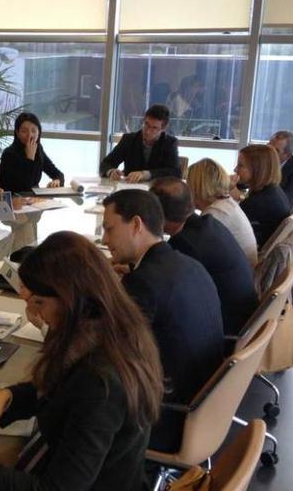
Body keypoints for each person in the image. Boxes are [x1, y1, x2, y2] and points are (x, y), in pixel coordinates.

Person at [0, 231, 164, 490]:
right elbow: (62, 391)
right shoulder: (110, 330)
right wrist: (8, 397)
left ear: (71, 299)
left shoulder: (100, 382)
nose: (33, 314)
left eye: (39, 303)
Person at [101, 189, 223, 453]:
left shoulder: (145, 283)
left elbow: (105, 350)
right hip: (205, 404)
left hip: (167, 415)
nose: (104, 239)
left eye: (109, 230)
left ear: (136, 225)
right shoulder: (186, 263)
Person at [150, 177, 258, 336]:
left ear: (158, 215)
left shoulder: (185, 244)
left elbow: (162, 290)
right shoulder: (208, 224)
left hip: (225, 330)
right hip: (242, 319)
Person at [186, 158, 258, 265]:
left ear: (197, 187)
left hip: (236, 276)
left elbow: (194, 255)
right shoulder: (226, 202)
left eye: (189, 185)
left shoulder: (214, 214)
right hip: (244, 270)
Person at [100, 104, 181, 182]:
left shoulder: (170, 143)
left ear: (163, 129)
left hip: (156, 190)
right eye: (146, 124)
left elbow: (175, 172)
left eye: (154, 128)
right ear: (143, 121)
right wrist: (111, 172)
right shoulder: (128, 139)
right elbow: (106, 163)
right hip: (130, 187)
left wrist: (146, 174)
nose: (148, 131)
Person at [233, 145, 291, 248]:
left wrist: (228, 199)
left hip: (251, 253)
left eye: (240, 166)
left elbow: (229, 227)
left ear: (258, 169)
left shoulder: (257, 202)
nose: (235, 169)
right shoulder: (274, 191)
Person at [0, 112, 65, 193]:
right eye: (24, 131)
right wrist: (29, 158)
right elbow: (24, 187)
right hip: (14, 200)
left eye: (33, 131)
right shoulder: (9, 154)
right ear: (17, 133)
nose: (29, 135)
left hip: (32, 199)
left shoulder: (38, 148)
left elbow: (56, 173)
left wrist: (57, 181)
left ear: (38, 132)